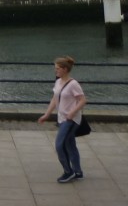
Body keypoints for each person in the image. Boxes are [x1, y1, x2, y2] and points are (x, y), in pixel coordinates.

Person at [37, 55, 87, 183]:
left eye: (58, 68)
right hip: (61, 118)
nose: (56, 71)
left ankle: (68, 171)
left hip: (70, 120)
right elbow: (55, 99)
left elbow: (82, 100)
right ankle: (78, 172)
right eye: (56, 68)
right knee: (70, 145)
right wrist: (47, 114)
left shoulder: (73, 84)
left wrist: (72, 113)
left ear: (65, 69)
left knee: (60, 145)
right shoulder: (58, 81)